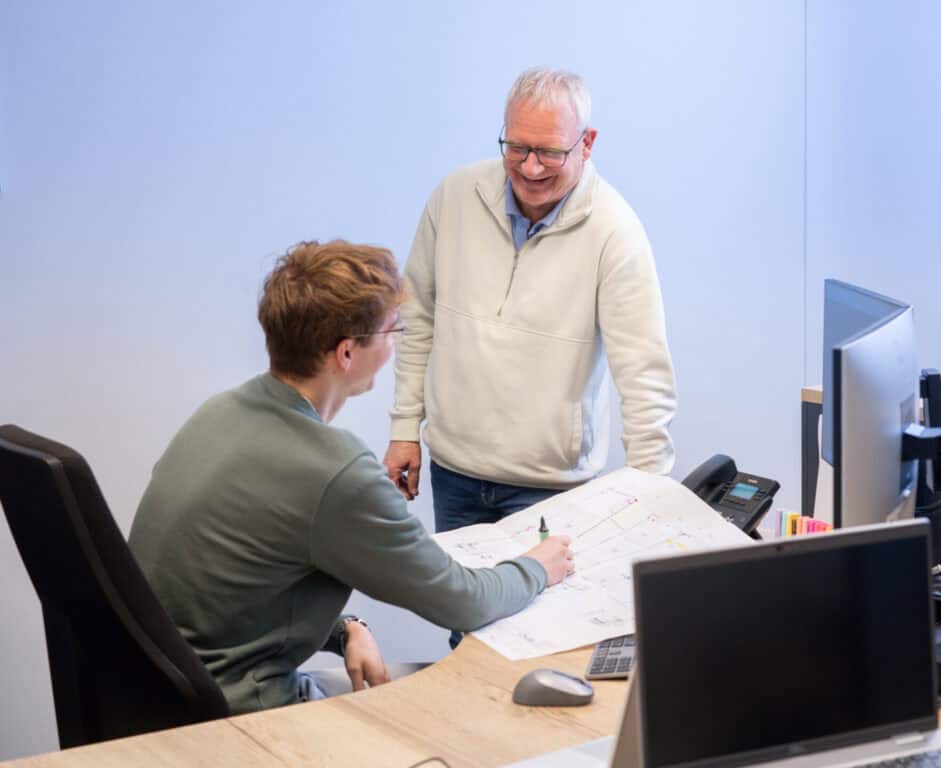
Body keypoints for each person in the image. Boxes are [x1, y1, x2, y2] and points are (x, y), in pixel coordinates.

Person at [128, 240, 573, 714]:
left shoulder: (218, 413)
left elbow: (230, 592)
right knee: (467, 712)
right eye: (392, 329)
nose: (395, 343)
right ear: (345, 352)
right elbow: (463, 602)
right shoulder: (334, 471)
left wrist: (345, 629)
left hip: (156, 699)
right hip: (240, 718)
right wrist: (538, 567)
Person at [384, 67, 677, 535]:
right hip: (454, 474)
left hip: (552, 489)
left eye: (549, 152)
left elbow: (644, 372)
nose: (530, 167)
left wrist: (648, 492)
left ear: (587, 143)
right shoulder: (454, 197)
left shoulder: (615, 230)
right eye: (517, 147)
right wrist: (404, 429)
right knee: (457, 588)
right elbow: (416, 319)